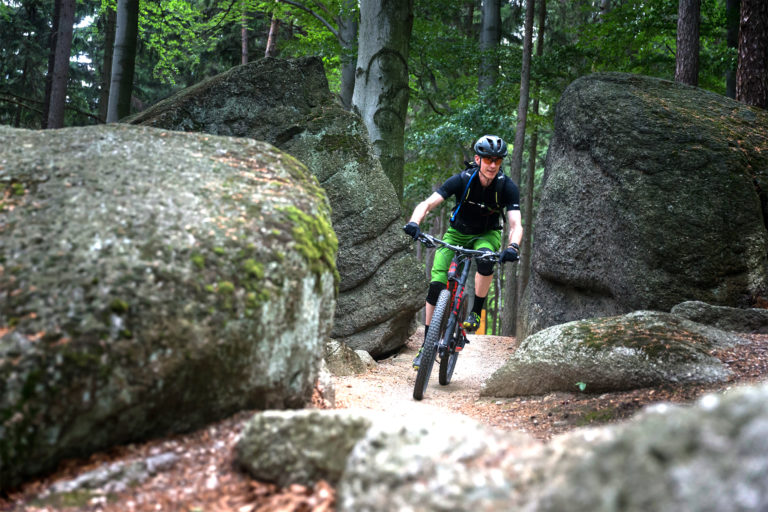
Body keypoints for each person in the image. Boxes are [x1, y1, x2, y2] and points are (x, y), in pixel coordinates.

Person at [403, 134, 523, 369]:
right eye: (488, 159)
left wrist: (513, 246)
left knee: (486, 261)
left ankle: (476, 312)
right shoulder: (462, 179)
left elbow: (515, 224)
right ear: (478, 159)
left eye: (497, 161)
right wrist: (414, 223)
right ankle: (427, 345)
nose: (492, 165)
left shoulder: (506, 187)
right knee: (437, 285)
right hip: (456, 233)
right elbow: (427, 204)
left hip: (486, 235)